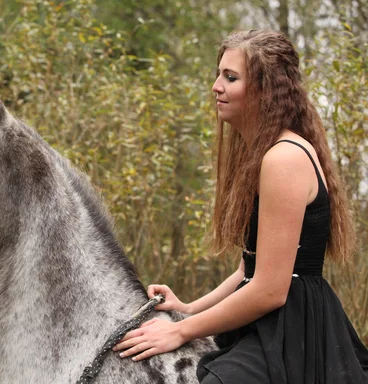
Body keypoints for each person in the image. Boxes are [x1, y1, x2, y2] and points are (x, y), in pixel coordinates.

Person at [113, 29, 368, 383]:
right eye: (218, 74)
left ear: (266, 89)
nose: (216, 86)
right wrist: (188, 309)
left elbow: (269, 289)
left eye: (230, 77)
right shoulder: (263, 154)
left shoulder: (284, 158)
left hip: (291, 330)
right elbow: (246, 272)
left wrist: (180, 332)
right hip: (270, 320)